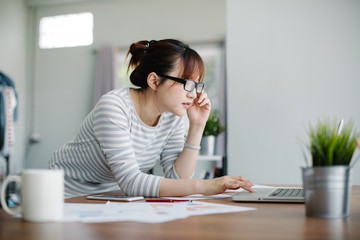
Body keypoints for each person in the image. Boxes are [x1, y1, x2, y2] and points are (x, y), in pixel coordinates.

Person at [49, 39, 255, 198]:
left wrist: (197, 126)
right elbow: (131, 181)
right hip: (67, 192)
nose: (194, 93)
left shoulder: (171, 116)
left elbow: (177, 179)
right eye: (187, 83)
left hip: (112, 195)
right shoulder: (114, 106)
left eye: (197, 84)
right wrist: (207, 185)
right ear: (154, 81)